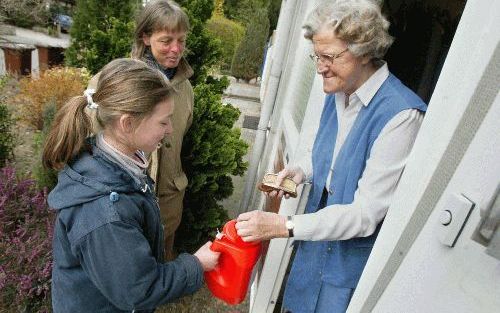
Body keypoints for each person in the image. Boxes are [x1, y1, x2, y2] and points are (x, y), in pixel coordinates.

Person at [235, 1, 427, 312]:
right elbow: (329, 156)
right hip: (315, 252)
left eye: (329, 57)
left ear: (365, 52)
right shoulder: (340, 89)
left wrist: (283, 225)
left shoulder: (401, 115)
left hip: (347, 267)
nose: (320, 67)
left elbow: (365, 213)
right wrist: (299, 171)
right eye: (316, 56)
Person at [43, 58, 219, 313]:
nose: (170, 129)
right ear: (127, 123)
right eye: (163, 121)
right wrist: (196, 264)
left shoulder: (114, 163)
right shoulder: (105, 213)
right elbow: (139, 290)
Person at [87, 0, 193, 261]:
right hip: (122, 198)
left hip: (168, 198)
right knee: (125, 265)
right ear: (145, 37)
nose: (176, 49)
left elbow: (180, 134)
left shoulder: (186, 90)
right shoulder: (112, 80)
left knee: (161, 259)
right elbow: (91, 135)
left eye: (181, 40)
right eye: (166, 40)